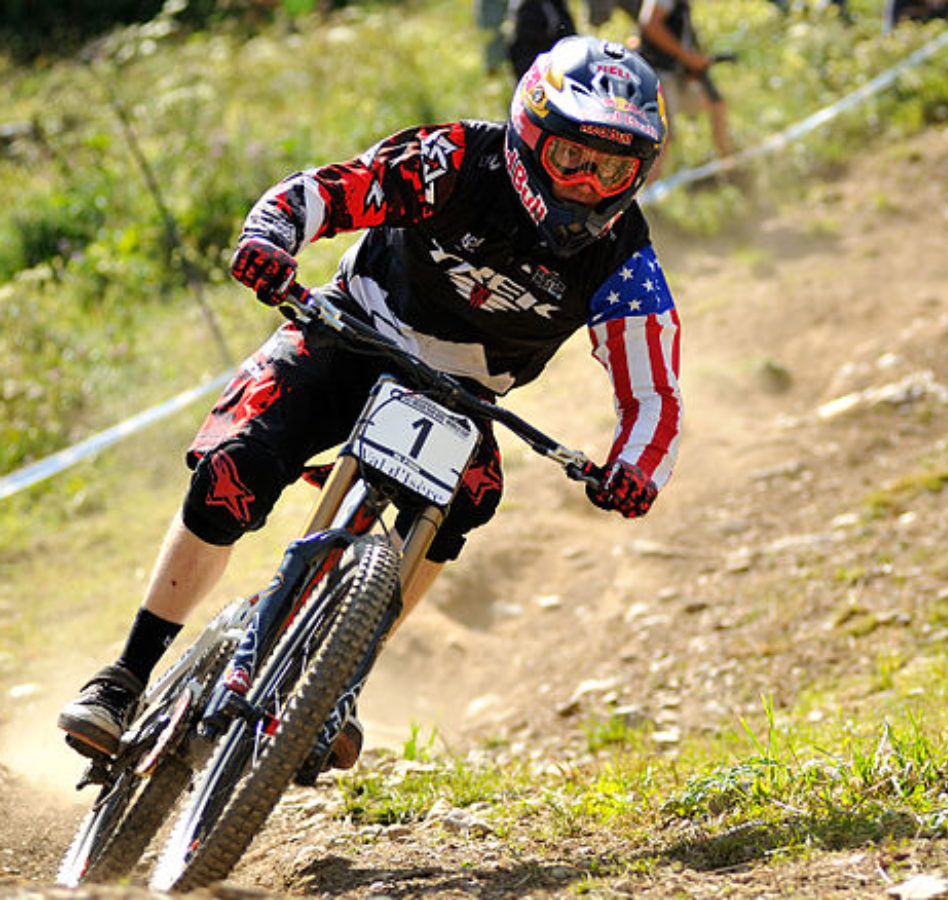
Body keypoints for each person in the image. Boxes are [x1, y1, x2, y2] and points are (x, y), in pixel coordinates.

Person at [57, 35, 682, 771]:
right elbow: (327, 190)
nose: (586, 183)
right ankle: (126, 676)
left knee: (471, 501)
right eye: (571, 158)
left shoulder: (626, 261)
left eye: (612, 168)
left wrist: (635, 468)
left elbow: (653, 392)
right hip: (351, 332)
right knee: (235, 470)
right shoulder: (453, 160)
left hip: (463, 396)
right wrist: (272, 235)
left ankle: (335, 684)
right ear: (527, 137)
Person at [636, 0, 733, 173]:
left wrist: (691, 60)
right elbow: (650, 23)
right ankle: (637, 194)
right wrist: (687, 57)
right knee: (660, 139)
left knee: (716, 104)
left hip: (676, 75)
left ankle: (731, 169)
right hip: (657, 74)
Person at [507, 0, 578, 81]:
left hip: (557, 69)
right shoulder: (528, 8)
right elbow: (522, 50)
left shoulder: (553, 5)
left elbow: (569, 39)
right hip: (537, 74)